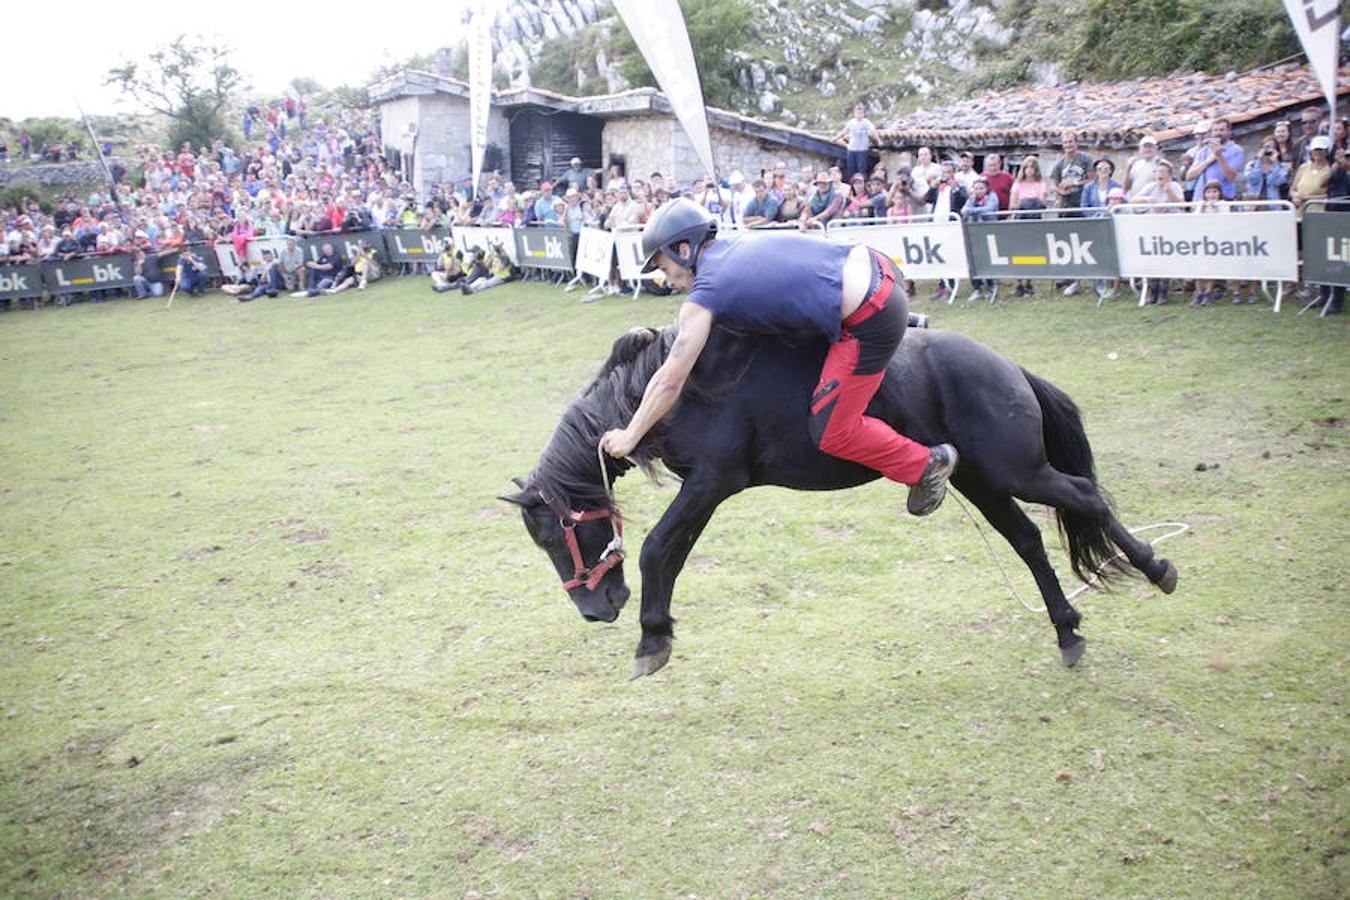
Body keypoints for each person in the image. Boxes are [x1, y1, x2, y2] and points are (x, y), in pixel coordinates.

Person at [598, 198, 958, 516]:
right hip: (877, 271)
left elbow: (669, 379)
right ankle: (910, 322)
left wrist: (630, 436)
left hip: (872, 312)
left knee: (832, 429)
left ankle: (926, 465)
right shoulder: (732, 246)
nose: (667, 280)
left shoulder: (706, 292)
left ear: (684, 250)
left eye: (664, 268)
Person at [1131, 159, 1185, 304]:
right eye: (1157, 171)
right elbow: (1133, 200)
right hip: (1152, 227)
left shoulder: (1175, 186)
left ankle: (1163, 292)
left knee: (1165, 259)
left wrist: (1169, 192)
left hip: (1169, 228)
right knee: (1151, 259)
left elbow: (1182, 205)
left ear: (1169, 174)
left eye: (1162, 172)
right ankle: (1152, 291)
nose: (1159, 174)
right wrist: (1147, 199)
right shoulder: (1151, 187)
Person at [1009, 156, 1049, 297]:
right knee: (1018, 252)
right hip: (1020, 219)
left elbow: (1042, 202)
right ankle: (1018, 283)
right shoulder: (1018, 184)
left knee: (1032, 252)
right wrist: (1026, 203)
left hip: (1034, 220)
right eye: (1027, 167)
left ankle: (1028, 282)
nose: (1029, 170)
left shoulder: (1041, 183)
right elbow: (1013, 205)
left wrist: (1030, 203)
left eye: (1032, 167)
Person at [1184, 118, 1243, 201]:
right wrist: (1207, 161)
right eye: (1215, 130)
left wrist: (1219, 156)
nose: (1218, 133)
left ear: (1229, 131)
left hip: (1223, 198)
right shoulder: (1203, 151)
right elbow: (1189, 176)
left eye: (1222, 130)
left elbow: (1231, 177)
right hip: (1201, 198)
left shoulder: (1236, 150)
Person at [961, 177, 1000, 300]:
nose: (979, 191)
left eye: (981, 188)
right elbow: (964, 210)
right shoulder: (972, 199)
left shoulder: (992, 197)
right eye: (976, 188)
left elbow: (989, 209)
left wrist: (971, 210)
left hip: (988, 232)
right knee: (973, 261)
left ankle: (991, 287)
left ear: (987, 188)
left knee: (988, 259)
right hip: (973, 233)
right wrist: (971, 203)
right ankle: (976, 288)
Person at [836, 103, 877, 180]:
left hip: (862, 150)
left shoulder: (866, 122)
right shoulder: (851, 122)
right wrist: (836, 138)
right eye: (857, 112)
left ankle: (862, 186)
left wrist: (879, 140)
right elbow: (844, 131)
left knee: (861, 170)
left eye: (860, 113)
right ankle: (852, 187)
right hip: (851, 149)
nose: (859, 114)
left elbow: (873, 131)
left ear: (863, 114)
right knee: (851, 170)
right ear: (854, 113)